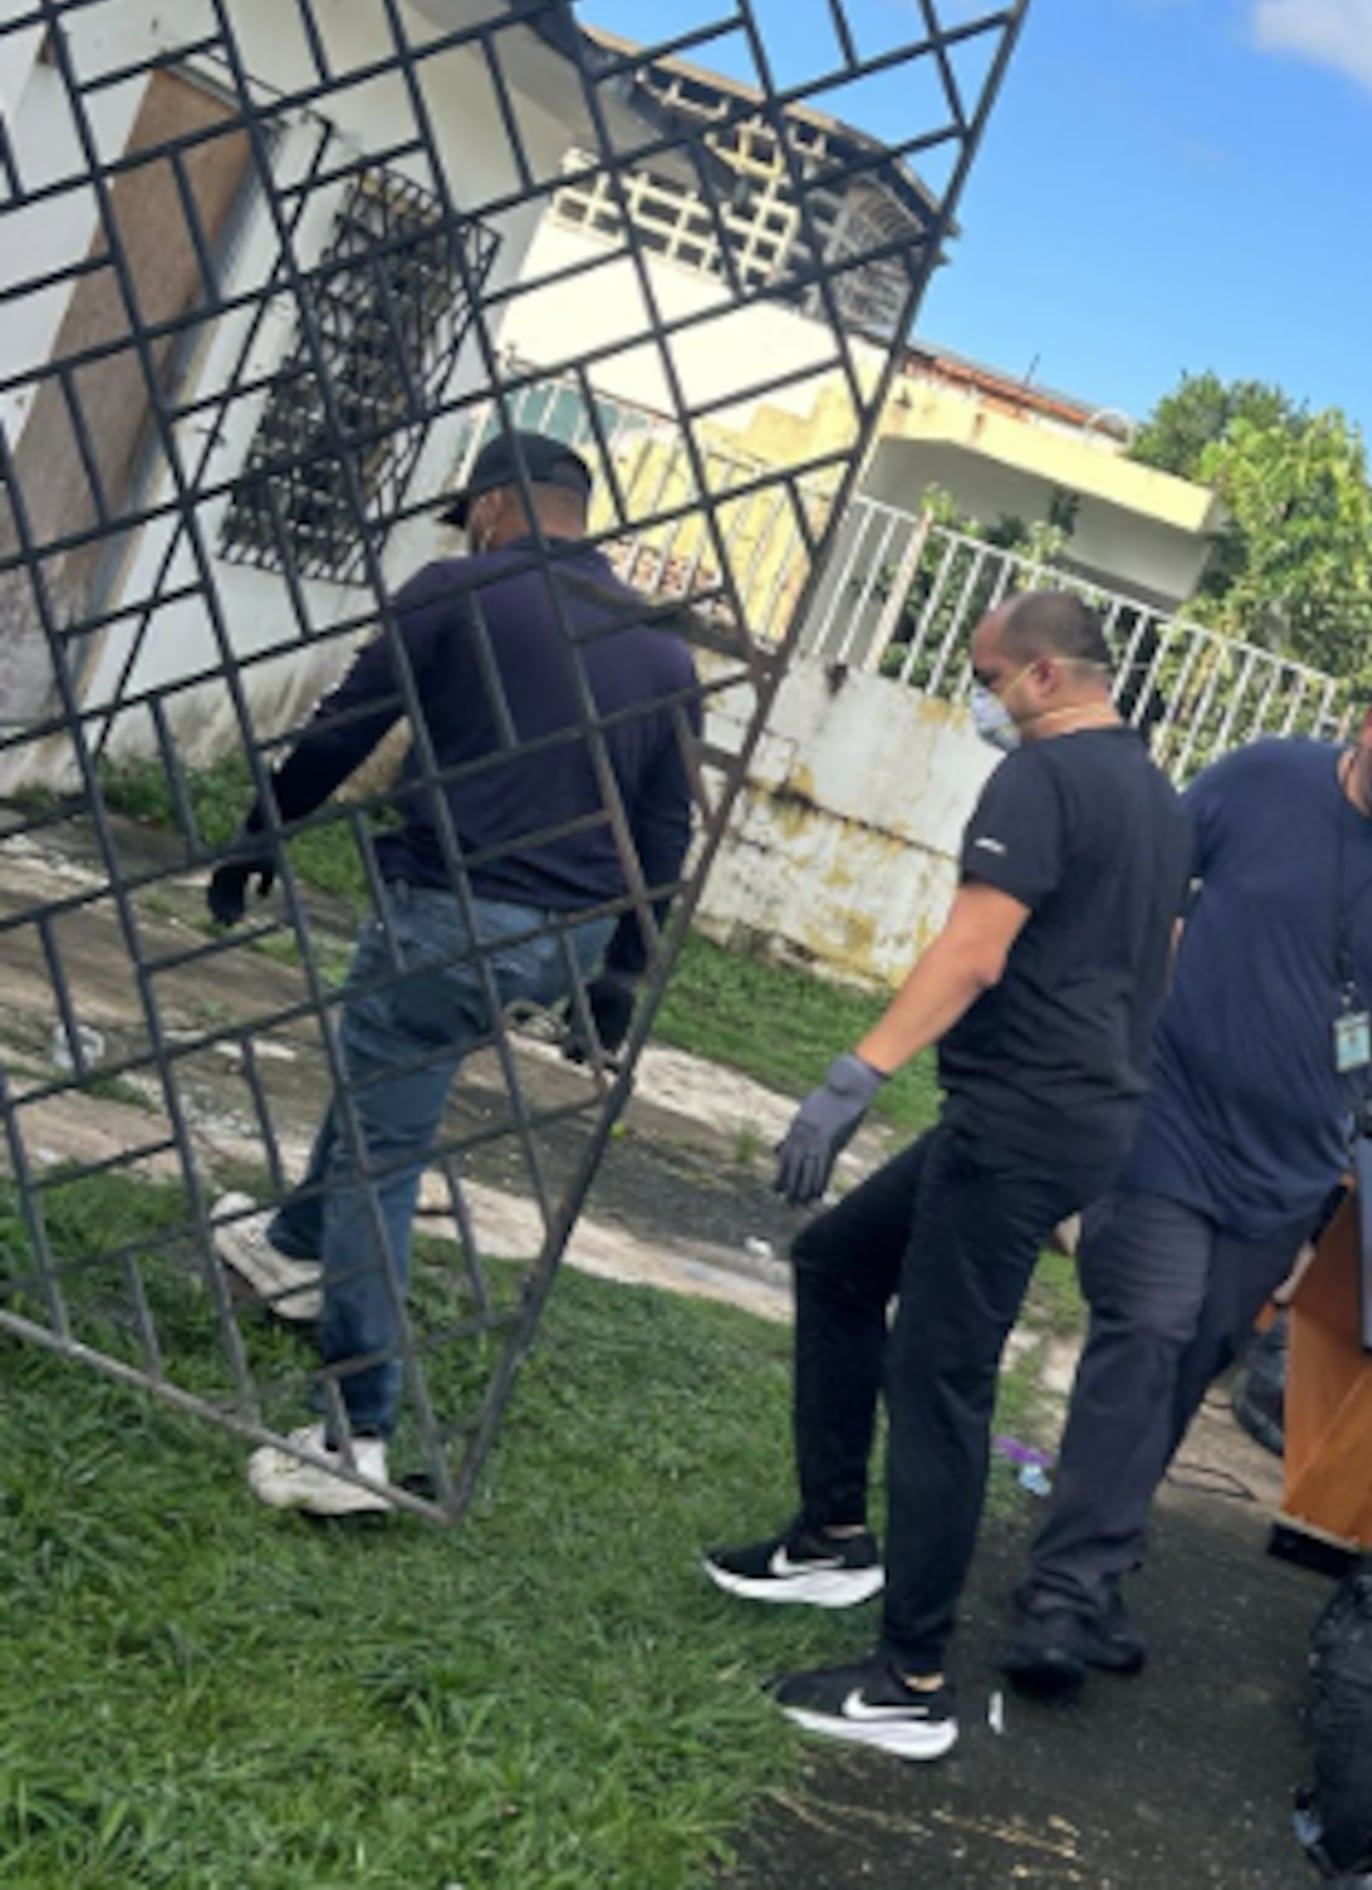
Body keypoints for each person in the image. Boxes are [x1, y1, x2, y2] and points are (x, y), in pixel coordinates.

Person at [703, 589, 1192, 1764]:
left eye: (984, 673)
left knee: (939, 1379)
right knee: (836, 1262)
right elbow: (1153, 957)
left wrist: (851, 1075)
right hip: (1069, 1113)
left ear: (1040, 677)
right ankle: (829, 1535)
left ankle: (912, 1677)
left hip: (1021, 1120)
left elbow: (973, 948)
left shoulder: (1041, 777)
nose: (976, 695)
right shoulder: (1157, 794)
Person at [208, 430, 699, 1514]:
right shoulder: (662, 651)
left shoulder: (459, 589)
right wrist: (617, 983)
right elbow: (662, 830)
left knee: (388, 1143)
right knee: (391, 1077)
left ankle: (355, 1437)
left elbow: (347, 727)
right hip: (562, 935)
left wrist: (259, 834)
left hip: (447, 918)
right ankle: (294, 1245)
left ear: (490, 507)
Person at [1003, 651, 1372, 1694]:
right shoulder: (1262, 778)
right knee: (1144, 1330)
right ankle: (1059, 1594)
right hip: (1167, 1115)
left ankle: (1098, 1560)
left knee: (1192, 1362)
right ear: (1371, 723)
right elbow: (1146, 886)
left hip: (1287, 1168)